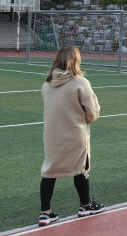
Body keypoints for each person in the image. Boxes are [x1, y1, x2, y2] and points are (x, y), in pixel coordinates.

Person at [39, 46, 104, 226]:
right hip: (75, 133)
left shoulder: (47, 83)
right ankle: (85, 204)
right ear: (75, 60)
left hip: (52, 134)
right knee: (81, 167)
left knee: (50, 169)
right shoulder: (80, 82)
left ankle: (45, 212)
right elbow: (93, 114)